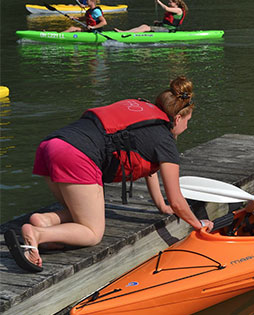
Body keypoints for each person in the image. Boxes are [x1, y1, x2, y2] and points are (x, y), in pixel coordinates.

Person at [4, 75, 213, 273]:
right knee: (93, 232)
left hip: (52, 145)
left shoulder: (144, 115)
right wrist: (198, 224)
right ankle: (37, 234)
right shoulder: (165, 140)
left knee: (80, 214)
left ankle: (44, 221)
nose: (187, 126)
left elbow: (150, 168)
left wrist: (160, 205)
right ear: (177, 118)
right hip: (76, 154)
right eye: (188, 121)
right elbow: (177, 200)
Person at [114, 0, 187, 33]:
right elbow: (171, 22)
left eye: (170, 2)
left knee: (145, 27)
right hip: (165, 28)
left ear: (176, 3)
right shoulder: (174, 9)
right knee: (144, 26)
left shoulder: (178, 10)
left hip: (169, 30)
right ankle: (128, 32)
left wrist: (158, 1)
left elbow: (166, 8)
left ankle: (124, 32)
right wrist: (159, 22)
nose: (168, 3)